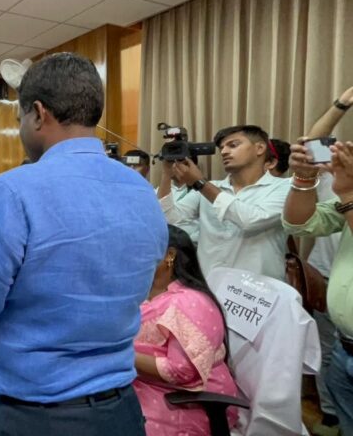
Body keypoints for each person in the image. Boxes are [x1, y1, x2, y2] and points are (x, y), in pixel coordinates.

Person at [0, 52, 168, 435]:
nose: (20, 130)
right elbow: (138, 289)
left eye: (19, 119)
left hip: (38, 417)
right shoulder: (144, 193)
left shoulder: (11, 192)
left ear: (39, 114)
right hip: (123, 411)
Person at [283, 86, 353, 434]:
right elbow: (300, 222)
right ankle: (329, 415)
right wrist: (305, 175)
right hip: (345, 343)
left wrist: (348, 192)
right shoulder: (344, 173)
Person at [133, 225, 238, 435]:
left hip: (185, 400)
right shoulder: (140, 290)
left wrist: (121, 355)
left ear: (169, 255)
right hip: (141, 383)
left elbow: (181, 371)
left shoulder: (189, 303)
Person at [157, 125, 290, 280]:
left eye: (233, 145)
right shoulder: (213, 187)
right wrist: (166, 174)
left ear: (259, 148)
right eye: (222, 148)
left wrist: (200, 183)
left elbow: (251, 220)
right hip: (208, 285)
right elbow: (169, 218)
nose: (224, 152)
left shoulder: (284, 187)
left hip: (257, 288)